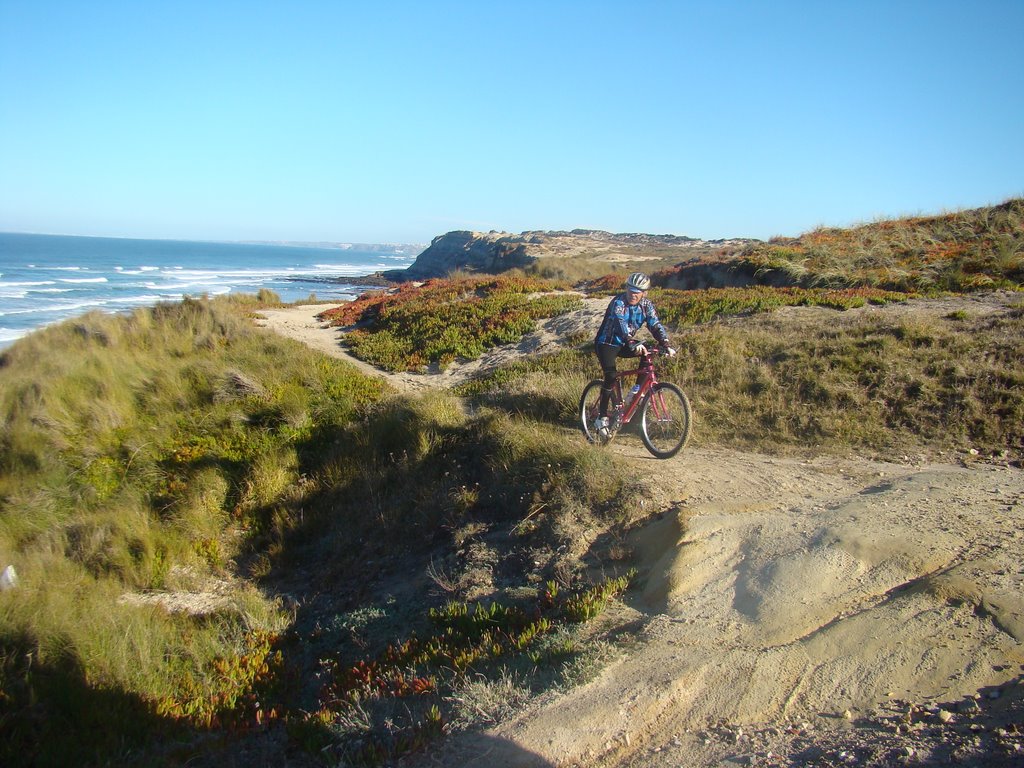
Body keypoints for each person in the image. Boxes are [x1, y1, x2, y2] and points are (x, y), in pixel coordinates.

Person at [592, 272, 675, 437]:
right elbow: (619, 322)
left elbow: (654, 324)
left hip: (626, 342)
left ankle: (636, 391)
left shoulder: (646, 305)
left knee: (648, 351)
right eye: (630, 290)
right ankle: (601, 417)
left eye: (637, 291)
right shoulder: (619, 302)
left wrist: (665, 343)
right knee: (611, 375)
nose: (633, 294)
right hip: (607, 343)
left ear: (644, 293)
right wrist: (629, 341)